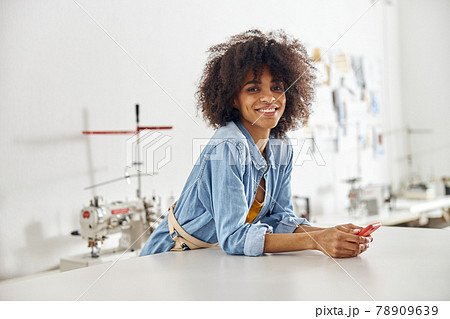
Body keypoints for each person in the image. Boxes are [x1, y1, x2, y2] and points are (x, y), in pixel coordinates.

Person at [139, 29, 372, 258]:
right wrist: (317, 241)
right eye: (253, 88)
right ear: (233, 98)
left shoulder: (280, 146)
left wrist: (333, 234)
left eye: (277, 87)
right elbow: (233, 238)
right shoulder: (228, 147)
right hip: (169, 257)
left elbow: (280, 219)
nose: (269, 97)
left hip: (209, 260)